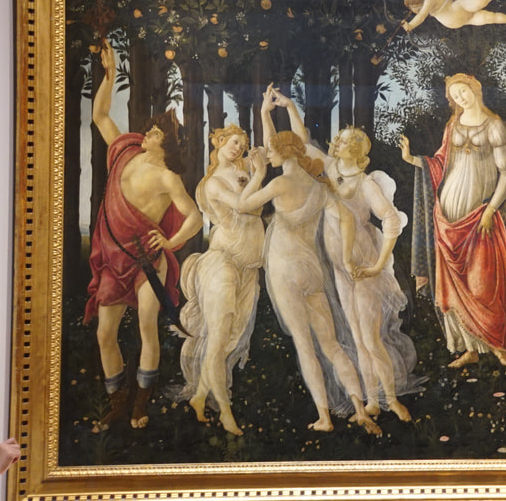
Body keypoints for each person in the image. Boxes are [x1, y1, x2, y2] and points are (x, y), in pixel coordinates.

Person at [262, 87, 424, 422]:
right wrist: (287, 107)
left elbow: (391, 221)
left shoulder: (365, 184)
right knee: (357, 338)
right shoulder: (330, 169)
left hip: (363, 266)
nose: (338, 141)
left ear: (359, 149)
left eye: (346, 140)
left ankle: (392, 399)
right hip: (339, 266)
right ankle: (372, 401)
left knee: (371, 338)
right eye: (340, 138)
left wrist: (378, 265)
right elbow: (300, 142)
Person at [85, 40, 203, 432]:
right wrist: (110, 74)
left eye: (154, 131)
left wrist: (170, 242)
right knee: (105, 334)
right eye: (150, 129)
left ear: (166, 143)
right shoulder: (125, 152)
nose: (147, 132)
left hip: (145, 262)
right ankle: (117, 402)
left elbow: (195, 217)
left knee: (146, 327)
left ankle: (140, 402)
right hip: (113, 260)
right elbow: (100, 115)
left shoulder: (168, 178)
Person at [237, 125, 381, 436]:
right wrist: (347, 257)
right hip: (312, 271)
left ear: (284, 152)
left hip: (285, 269)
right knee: (331, 345)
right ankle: (359, 410)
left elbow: (243, 205)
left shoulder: (280, 183)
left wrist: (258, 174)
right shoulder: (319, 187)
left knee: (306, 346)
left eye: (271, 151)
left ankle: (325, 419)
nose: (268, 155)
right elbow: (346, 217)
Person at [400, 73, 506, 368]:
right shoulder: (452, 125)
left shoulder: (494, 126)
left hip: (479, 217)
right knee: (453, 287)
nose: (460, 98)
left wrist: (490, 210)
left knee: (484, 285)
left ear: (475, 89)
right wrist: (413, 159)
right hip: (446, 218)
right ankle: (470, 348)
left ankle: (497, 344)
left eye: (463, 91)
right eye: (455, 95)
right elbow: (441, 164)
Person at [174, 125, 264, 436]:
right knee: (217, 338)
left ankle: (199, 397)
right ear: (219, 142)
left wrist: (265, 113)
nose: (238, 148)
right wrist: (260, 175)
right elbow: (243, 205)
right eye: (233, 142)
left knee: (229, 340)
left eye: (243, 144)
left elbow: (266, 151)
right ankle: (225, 412)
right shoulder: (213, 182)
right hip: (223, 263)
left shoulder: (245, 170)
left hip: (248, 267)